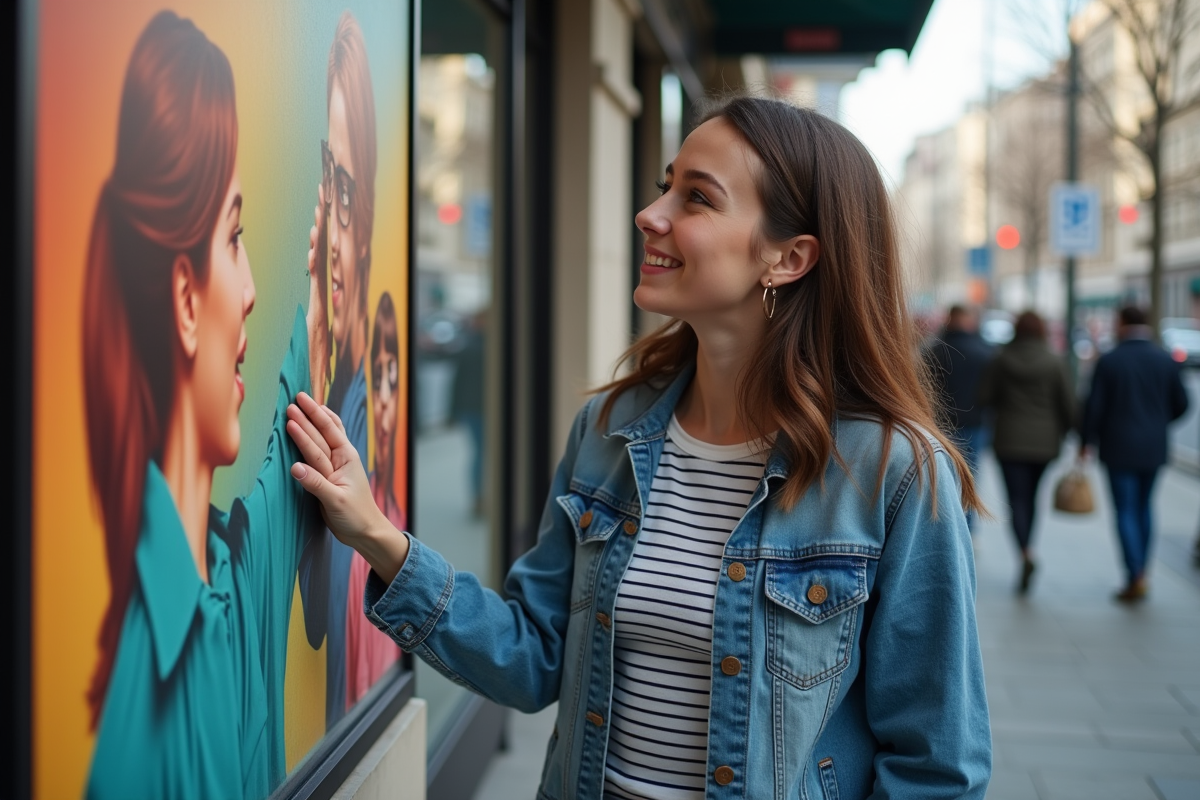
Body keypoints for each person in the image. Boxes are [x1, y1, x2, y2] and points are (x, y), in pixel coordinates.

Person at [285, 96, 991, 798]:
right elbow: (534, 658)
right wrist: (377, 537)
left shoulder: (894, 474)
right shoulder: (608, 429)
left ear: (788, 257)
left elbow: (936, 768)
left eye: (697, 198)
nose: (650, 215)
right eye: (665, 186)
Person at [81, 12, 328, 798]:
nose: (250, 289)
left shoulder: (227, 571)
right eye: (233, 236)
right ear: (186, 301)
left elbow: (297, 375)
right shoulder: (136, 741)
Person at [297, 10, 378, 729]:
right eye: (327, 185)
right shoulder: (605, 429)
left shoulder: (356, 412)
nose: (650, 214)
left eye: (347, 194)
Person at [1083, 305, 1189, 601]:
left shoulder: (1110, 360)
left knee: (1125, 509)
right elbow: (1182, 403)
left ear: (1123, 323)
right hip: (1153, 446)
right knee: (1144, 506)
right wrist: (1158, 422)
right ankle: (1142, 570)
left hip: (1118, 446)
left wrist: (1085, 441)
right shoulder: (1164, 359)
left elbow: (1094, 407)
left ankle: (1135, 573)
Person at [978, 311, 1076, 594]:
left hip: (1009, 440)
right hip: (1045, 442)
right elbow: (1068, 403)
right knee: (1032, 497)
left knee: (1016, 499)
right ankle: (1029, 547)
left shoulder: (1001, 360)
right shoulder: (1054, 361)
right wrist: (1075, 434)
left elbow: (984, 397)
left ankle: (1024, 552)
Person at [344, 293, 405, 708]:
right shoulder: (348, 532)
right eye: (376, 377)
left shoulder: (396, 516)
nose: (384, 398)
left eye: (392, 380)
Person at [924, 304, 995, 531]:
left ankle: (944, 528)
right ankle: (967, 528)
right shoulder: (985, 352)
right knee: (969, 477)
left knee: (940, 478)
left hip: (940, 424)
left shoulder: (934, 351)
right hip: (974, 423)